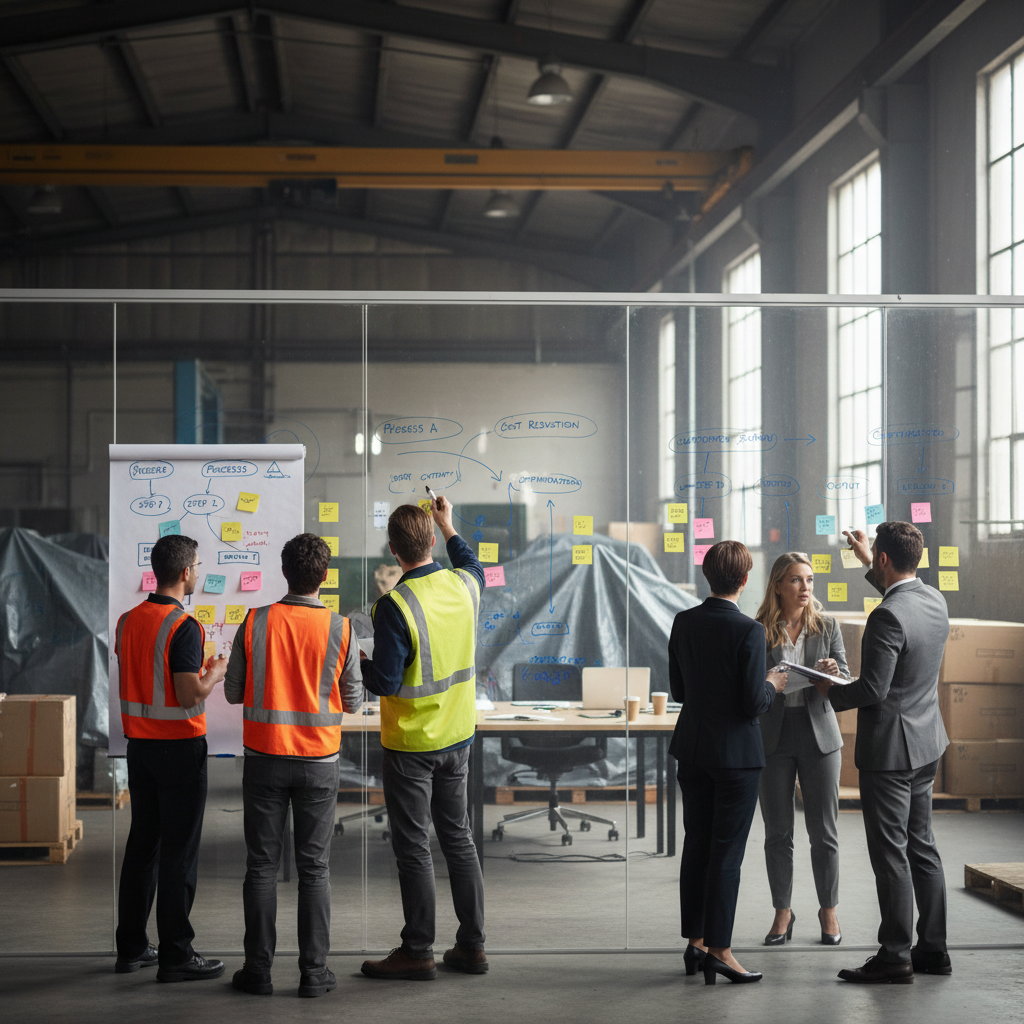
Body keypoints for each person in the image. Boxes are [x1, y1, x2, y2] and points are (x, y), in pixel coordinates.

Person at [810, 522, 951, 984]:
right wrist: (871, 559)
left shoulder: (886, 617)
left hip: (891, 752)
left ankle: (894, 956)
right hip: (928, 743)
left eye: (878, 560)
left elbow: (872, 689)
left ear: (886, 559)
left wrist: (828, 690)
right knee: (922, 847)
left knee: (891, 855)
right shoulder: (934, 600)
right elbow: (900, 591)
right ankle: (933, 950)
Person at [224, 533, 363, 998]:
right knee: (315, 869)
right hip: (318, 761)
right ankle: (313, 973)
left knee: (261, 867)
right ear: (324, 577)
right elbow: (354, 702)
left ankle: (258, 972)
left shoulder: (255, 621)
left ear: (284, 572)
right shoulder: (342, 629)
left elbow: (232, 692)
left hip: (264, 756)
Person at [359, 497, 486, 980]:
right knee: (458, 839)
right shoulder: (464, 585)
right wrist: (448, 522)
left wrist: (357, 660)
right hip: (458, 736)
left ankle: (418, 951)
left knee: (414, 847)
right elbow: (470, 560)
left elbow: (387, 682)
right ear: (431, 541)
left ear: (394, 551)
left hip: (412, 743)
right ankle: (472, 947)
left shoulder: (393, 605)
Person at [668, 540, 788, 985]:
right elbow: (751, 702)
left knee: (697, 845)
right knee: (727, 855)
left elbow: (679, 691)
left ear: (707, 575)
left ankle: (695, 944)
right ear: (744, 579)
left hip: (694, 750)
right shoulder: (749, 632)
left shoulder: (683, 622)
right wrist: (773, 682)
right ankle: (720, 949)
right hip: (736, 756)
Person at [113, 533, 227, 982]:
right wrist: (214, 674)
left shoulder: (127, 620)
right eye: (197, 566)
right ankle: (176, 956)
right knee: (179, 853)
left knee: (143, 846)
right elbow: (185, 694)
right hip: (179, 749)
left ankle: (132, 948)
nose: (197, 572)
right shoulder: (185, 627)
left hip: (139, 749)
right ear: (185, 573)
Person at [755, 553, 850, 947]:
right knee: (778, 832)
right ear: (778, 585)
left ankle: (828, 912)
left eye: (809, 580)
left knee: (823, 832)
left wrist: (833, 674)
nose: (806, 587)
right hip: (773, 736)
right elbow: (748, 686)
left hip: (819, 736)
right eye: (796, 580)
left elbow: (846, 677)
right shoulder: (757, 630)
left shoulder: (827, 625)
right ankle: (783, 912)